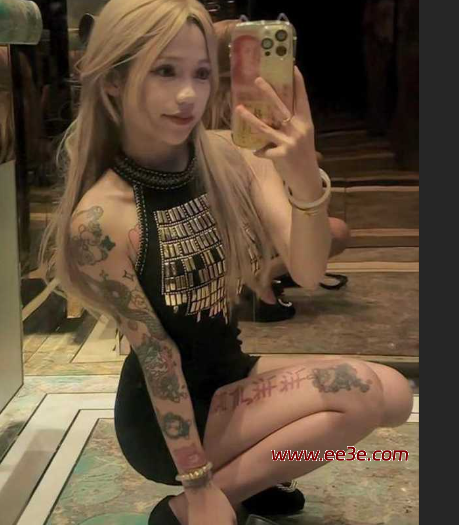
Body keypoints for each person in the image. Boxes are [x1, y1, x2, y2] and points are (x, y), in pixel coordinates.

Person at [40, 1, 414, 524]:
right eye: (165, 71)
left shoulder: (228, 158)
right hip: (168, 418)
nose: (188, 95)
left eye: (200, 73)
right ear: (115, 82)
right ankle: (187, 506)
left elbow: (308, 272)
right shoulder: (100, 220)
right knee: (361, 392)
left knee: (394, 394)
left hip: (229, 374)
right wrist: (196, 484)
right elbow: (158, 357)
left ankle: (244, 482)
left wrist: (304, 178)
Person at [208, 20, 350, 322]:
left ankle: (255, 275)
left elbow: (308, 271)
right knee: (336, 231)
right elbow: (308, 272)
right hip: (241, 244)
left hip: (211, 260)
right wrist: (306, 174)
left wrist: (304, 175)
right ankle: (258, 277)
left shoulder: (200, 128)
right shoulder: (244, 142)